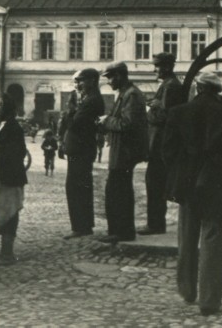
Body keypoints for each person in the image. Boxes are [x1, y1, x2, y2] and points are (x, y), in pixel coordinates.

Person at [163, 72, 222, 317]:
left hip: (186, 184)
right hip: (214, 184)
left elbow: (167, 152)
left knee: (186, 236)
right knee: (214, 238)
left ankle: (187, 290)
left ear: (197, 88)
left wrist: (182, 172)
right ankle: (209, 300)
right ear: (217, 91)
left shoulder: (178, 113)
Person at [97, 61, 148, 243]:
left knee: (119, 192)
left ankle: (122, 232)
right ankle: (118, 230)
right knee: (117, 191)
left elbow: (127, 124)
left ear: (119, 76)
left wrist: (107, 121)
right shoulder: (126, 93)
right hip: (121, 150)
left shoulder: (131, 95)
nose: (109, 81)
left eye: (110, 77)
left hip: (125, 152)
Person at [140, 52, 184, 235]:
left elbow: (165, 116)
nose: (154, 69)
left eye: (157, 66)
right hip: (161, 143)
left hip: (162, 144)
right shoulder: (168, 85)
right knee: (154, 182)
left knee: (155, 183)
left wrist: (149, 110)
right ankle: (155, 223)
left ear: (166, 67)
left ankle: (156, 224)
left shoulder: (171, 86)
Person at [61, 69, 104, 239]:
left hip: (81, 149)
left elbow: (75, 124)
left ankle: (81, 226)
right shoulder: (87, 99)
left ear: (92, 81)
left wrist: (70, 110)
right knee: (79, 186)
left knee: (76, 187)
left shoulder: (92, 100)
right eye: (76, 82)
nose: (77, 85)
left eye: (81, 81)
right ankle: (83, 224)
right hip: (80, 149)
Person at [0, 93, 28, 266]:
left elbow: (18, 152)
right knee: (1, 211)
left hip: (11, 177)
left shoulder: (14, 127)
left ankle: (7, 253)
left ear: (6, 107)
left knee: (10, 213)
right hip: (1, 177)